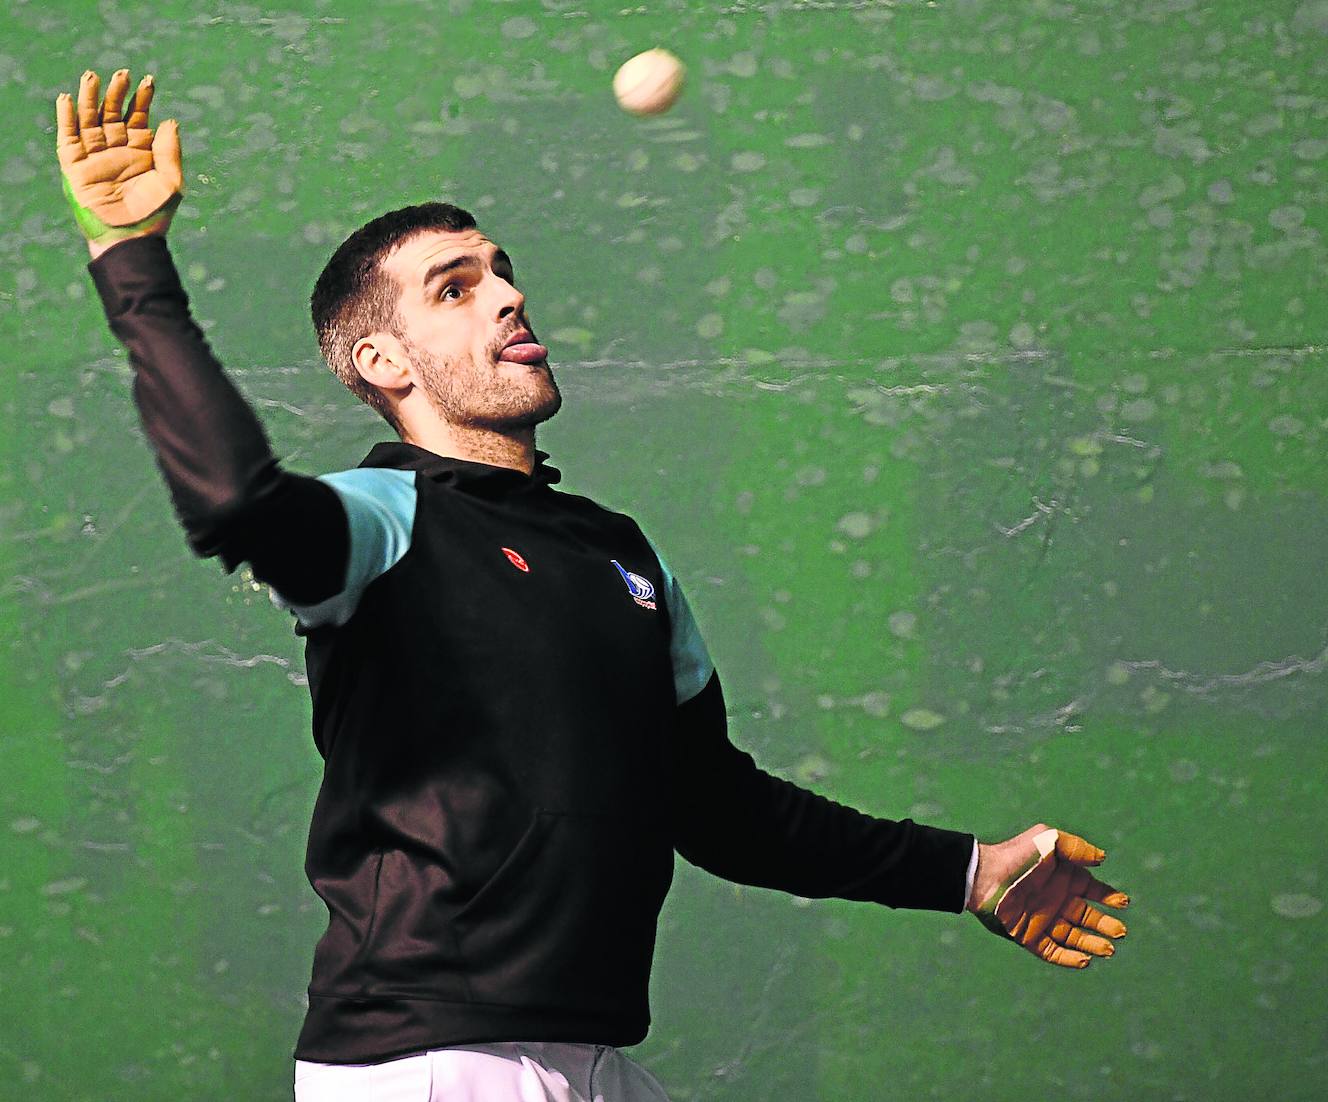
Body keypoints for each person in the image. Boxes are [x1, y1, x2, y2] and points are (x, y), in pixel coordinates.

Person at [55, 69, 1131, 1102]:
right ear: (386, 363)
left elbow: (716, 807)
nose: (511, 295)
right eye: (457, 286)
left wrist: (971, 869)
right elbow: (239, 503)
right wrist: (129, 256)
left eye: (502, 269)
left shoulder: (624, 555)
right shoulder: (383, 522)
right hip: (425, 1064)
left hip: (596, 1059)